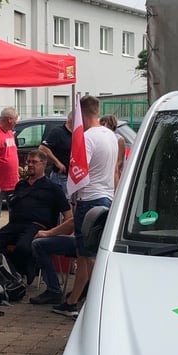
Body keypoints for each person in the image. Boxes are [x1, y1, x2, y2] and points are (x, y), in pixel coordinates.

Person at [54, 96, 117, 317]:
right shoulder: (110, 135)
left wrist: (72, 194)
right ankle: (72, 301)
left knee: (90, 256)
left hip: (89, 198)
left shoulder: (87, 138)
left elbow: (80, 169)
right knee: (84, 254)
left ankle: (100, 301)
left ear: (81, 113)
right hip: (106, 196)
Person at [0, 150, 71, 290]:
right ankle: (13, 270)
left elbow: (68, 216)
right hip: (15, 225)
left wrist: (53, 232)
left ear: (43, 164)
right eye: (28, 162)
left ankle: (25, 270)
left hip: (36, 226)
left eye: (34, 162)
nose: (29, 165)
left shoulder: (53, 188)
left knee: (23, 247)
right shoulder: (20, 185)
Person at [29, 215, 77, 305]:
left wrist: (48, 233)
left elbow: (73, 222)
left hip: (85, 245)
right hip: (89, 244)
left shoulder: (92, 201)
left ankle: (53, 290)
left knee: (39, 244)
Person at [39, 111, 73, 194]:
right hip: (61, 177)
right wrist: (57, 162)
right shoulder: (58, 132)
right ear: (71, 121)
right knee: (63, 203)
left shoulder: (77, 133)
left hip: (74, 176)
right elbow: (43, 148)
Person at [99, 113, 126, 187]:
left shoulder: (119, 139)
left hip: (114, 174)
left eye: (103, 124)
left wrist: (109, 170)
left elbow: (119, 160)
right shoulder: (101, 138)